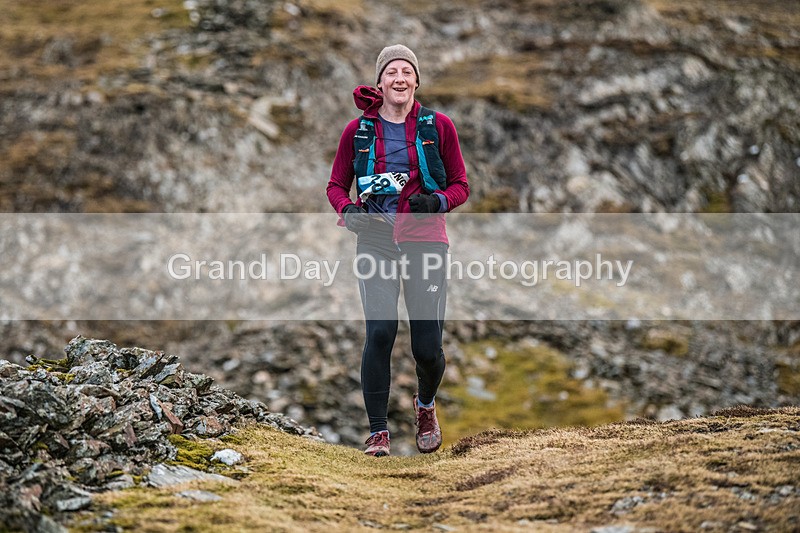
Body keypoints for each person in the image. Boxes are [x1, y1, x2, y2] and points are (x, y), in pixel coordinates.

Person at [326, 44, 470, 456]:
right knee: (381, 332)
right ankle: (378, 433)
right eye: (391, 72)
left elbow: (460, 184)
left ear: (416, 81)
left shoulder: (438, 126)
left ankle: (425, 404)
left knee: (427, 347)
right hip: (375, 240)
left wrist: (436, 202)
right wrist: (348, 210)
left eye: (407, 71)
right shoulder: (358, 132)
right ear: (380, 82)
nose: (400, 78)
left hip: (425, 240)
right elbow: (336, 185)